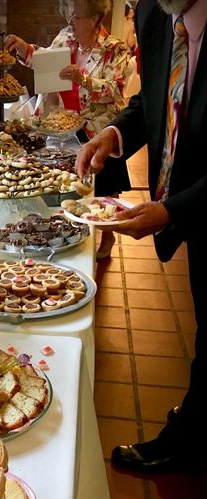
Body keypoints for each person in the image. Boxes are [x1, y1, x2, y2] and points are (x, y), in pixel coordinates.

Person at [76, 0, 207, 473]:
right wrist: (113, 134)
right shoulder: (155, 13)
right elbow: (155, 98)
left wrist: (172, 209)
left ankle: (189, 438)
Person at [4, 0, 132, 259]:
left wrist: (83, 79)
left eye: (77, 16)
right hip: (62, 126)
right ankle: (74, 230)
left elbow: (117, 90)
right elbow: (46, 61)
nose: (70, 22)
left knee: (105, 186)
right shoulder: (65, 37)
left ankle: (108, 235)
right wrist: (24, 48)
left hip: (97, 129)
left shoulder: (114, 49)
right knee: (72, 183)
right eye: (69, 15)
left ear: (96, 18)